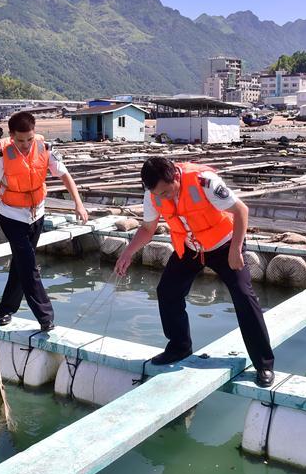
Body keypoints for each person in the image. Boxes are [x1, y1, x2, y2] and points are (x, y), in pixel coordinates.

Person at [114, 157, 276, 387]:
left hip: (224, 244)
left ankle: (264, 364)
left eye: (166, 192)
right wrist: (127, 253)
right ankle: (179, 347)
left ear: (175, 176)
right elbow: (148, 228)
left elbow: (241, 210)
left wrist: (236, 249)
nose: (162, 197)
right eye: (158, 194)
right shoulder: (153, 194)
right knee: (167, 291)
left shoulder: (204, 182)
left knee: (243, 296)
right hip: (191, 247)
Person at [0, 111, 88, 330]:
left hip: (37, 214)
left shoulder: (45, 148)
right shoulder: (1, 156)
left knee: (21, 264)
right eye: (20, 141)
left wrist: (79, 203)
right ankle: (46, 317)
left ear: (34, 133)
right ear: (11, 136)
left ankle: (6, 310)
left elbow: (65, 175)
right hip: (11, 216)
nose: (26, 145)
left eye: (29, 139)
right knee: (29, 265)